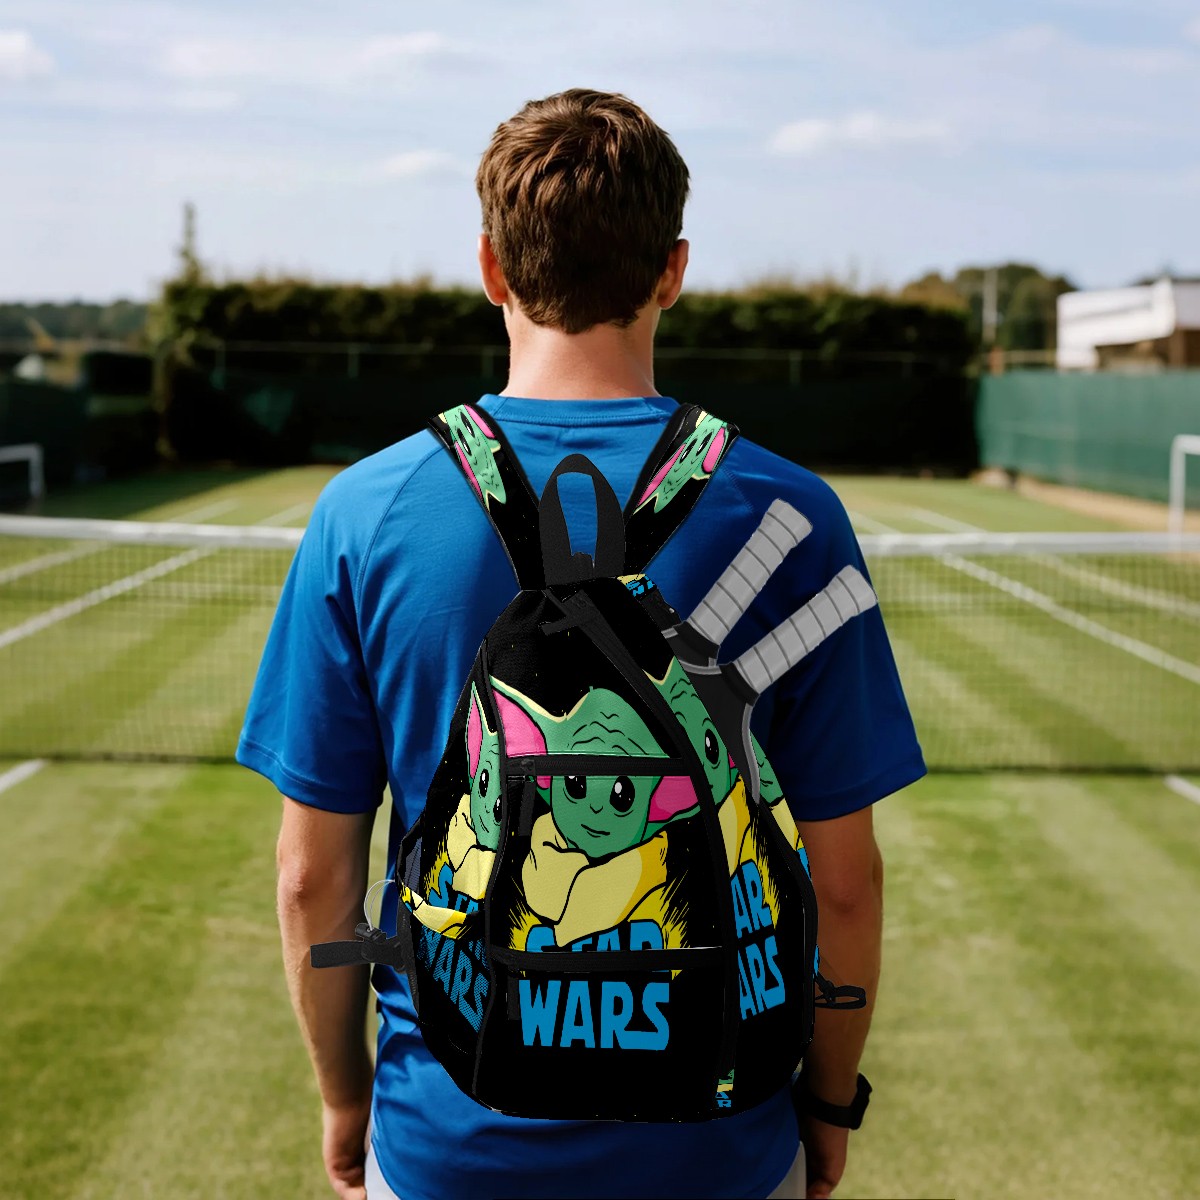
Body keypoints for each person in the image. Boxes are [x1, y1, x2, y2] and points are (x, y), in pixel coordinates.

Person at [238, 88, 925, 1200]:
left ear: (491, 268)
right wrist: (829, 1100)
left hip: (446, 1143)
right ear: (674, 271)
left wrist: (347, 1098)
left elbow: (311, 875)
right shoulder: (794, 515)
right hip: (722, 1151)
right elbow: (845, 888)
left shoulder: (363, 512)